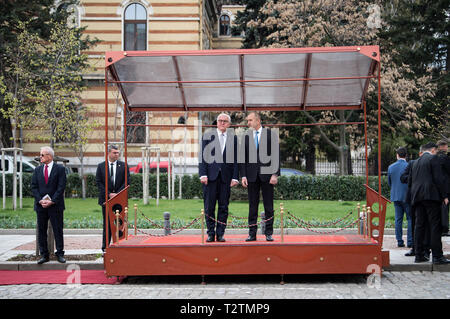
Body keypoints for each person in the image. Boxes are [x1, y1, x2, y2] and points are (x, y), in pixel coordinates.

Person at [199, 113, 239, 242]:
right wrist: (203, 174)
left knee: (223, 207)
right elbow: (202, 157)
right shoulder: (207, 136)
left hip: (225, 179)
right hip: (210, 177)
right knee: (209, 207)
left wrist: (235, 177)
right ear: (217, 122)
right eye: (220, 120)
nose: (222, 123)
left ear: (229, 124)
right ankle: (210, 233)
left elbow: (236, 160)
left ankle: (220, 233)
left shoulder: (233, 138)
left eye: (225, 121)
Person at [240, 112, 280, 242]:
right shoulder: (246, 136)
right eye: (248, 121)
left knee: (269, 206)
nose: (248, 123)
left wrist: (275, 174)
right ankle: (252, 234)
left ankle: (269, 233)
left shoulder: (270, 135)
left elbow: (276, 155)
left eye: (250, 120)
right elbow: (243, 158)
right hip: (251, 176)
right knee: (252, 206)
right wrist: (243, 176)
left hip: (268, 176)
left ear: (258, 120)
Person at [408, 142, 449, 264]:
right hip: (431, 196)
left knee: (419, 226)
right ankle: (437, 256)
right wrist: (444, 195)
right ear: (432, 150)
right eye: (436, 151)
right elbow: (438, 178)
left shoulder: (415, 162)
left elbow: (410, 182)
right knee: (435, 226)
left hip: (417, 197)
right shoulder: (433, 158)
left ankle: (419, 254)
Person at [31, 146, 67, 264]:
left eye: (42, 155)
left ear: (49, 156)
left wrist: (52, 200)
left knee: (58, 229)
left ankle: (60, 253)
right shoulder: (37, 170)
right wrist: (40, 200)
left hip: (55, 205)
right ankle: (44, 255)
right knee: (41, 230)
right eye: (40, 155)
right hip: (41, 205)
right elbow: (34, 187)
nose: (40, 157)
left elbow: (61, 187)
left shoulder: (60, 169)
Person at [96, 145, 130, 252]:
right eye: (115, 152)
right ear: (108, 153)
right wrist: (109, 194)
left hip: (119, 200)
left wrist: (117, 194)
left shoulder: (124, 166)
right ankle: (105, 247)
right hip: (106, 200)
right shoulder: (101, 166)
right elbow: (98, 182)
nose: (117, 154)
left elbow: (127, 181)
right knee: (107, 224)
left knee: (119, 223)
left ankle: (119, 245)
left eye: (118, 152)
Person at [388, 147, 412, 248]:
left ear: (397, 155)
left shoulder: (391, 167)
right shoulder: (409, 166)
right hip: (407, 196)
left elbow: (390, 182)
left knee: (398, 219)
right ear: (406, 155)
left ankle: (399, 241)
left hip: (396, 195)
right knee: (410, 219)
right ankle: (410, 241)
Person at [436, 139, 450, 236]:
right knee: (445, 208)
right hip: (446, 186)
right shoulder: (445, 158)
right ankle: (444, 228)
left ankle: (439, 227)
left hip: (437, 187)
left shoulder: (434, 158)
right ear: (443, 147)